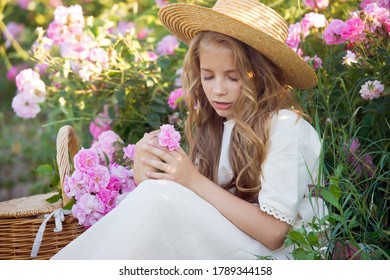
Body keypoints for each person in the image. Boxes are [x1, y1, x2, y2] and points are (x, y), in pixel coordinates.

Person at [51, 0, 327, 260]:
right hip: (237, 242)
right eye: (208, 76)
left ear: (264, 76)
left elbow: (275, 233)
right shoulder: (217, 127)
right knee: (155, 197)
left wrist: (191, 180)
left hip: (285, 256)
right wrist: (147, 171)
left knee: (158, 200)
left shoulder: (285, 127)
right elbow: (196, 205)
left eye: (233, 77)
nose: (217, 89)